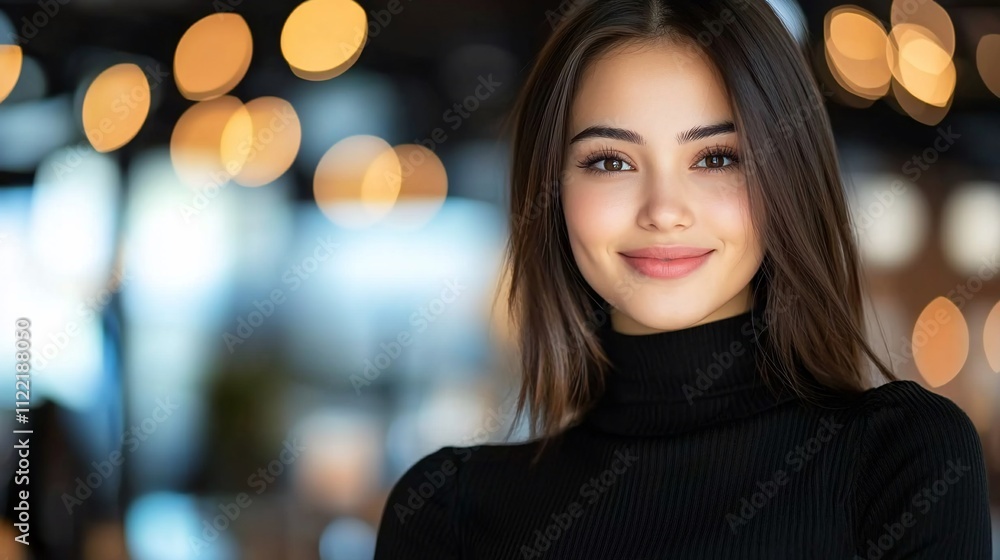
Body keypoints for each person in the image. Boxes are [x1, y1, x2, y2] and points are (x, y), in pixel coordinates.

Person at [373, 0, 993, 557]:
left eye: (717, 157)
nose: (664, 210)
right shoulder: (444, 512)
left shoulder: (901, 462)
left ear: (789, 178)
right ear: (550, 188)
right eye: (610, 161)